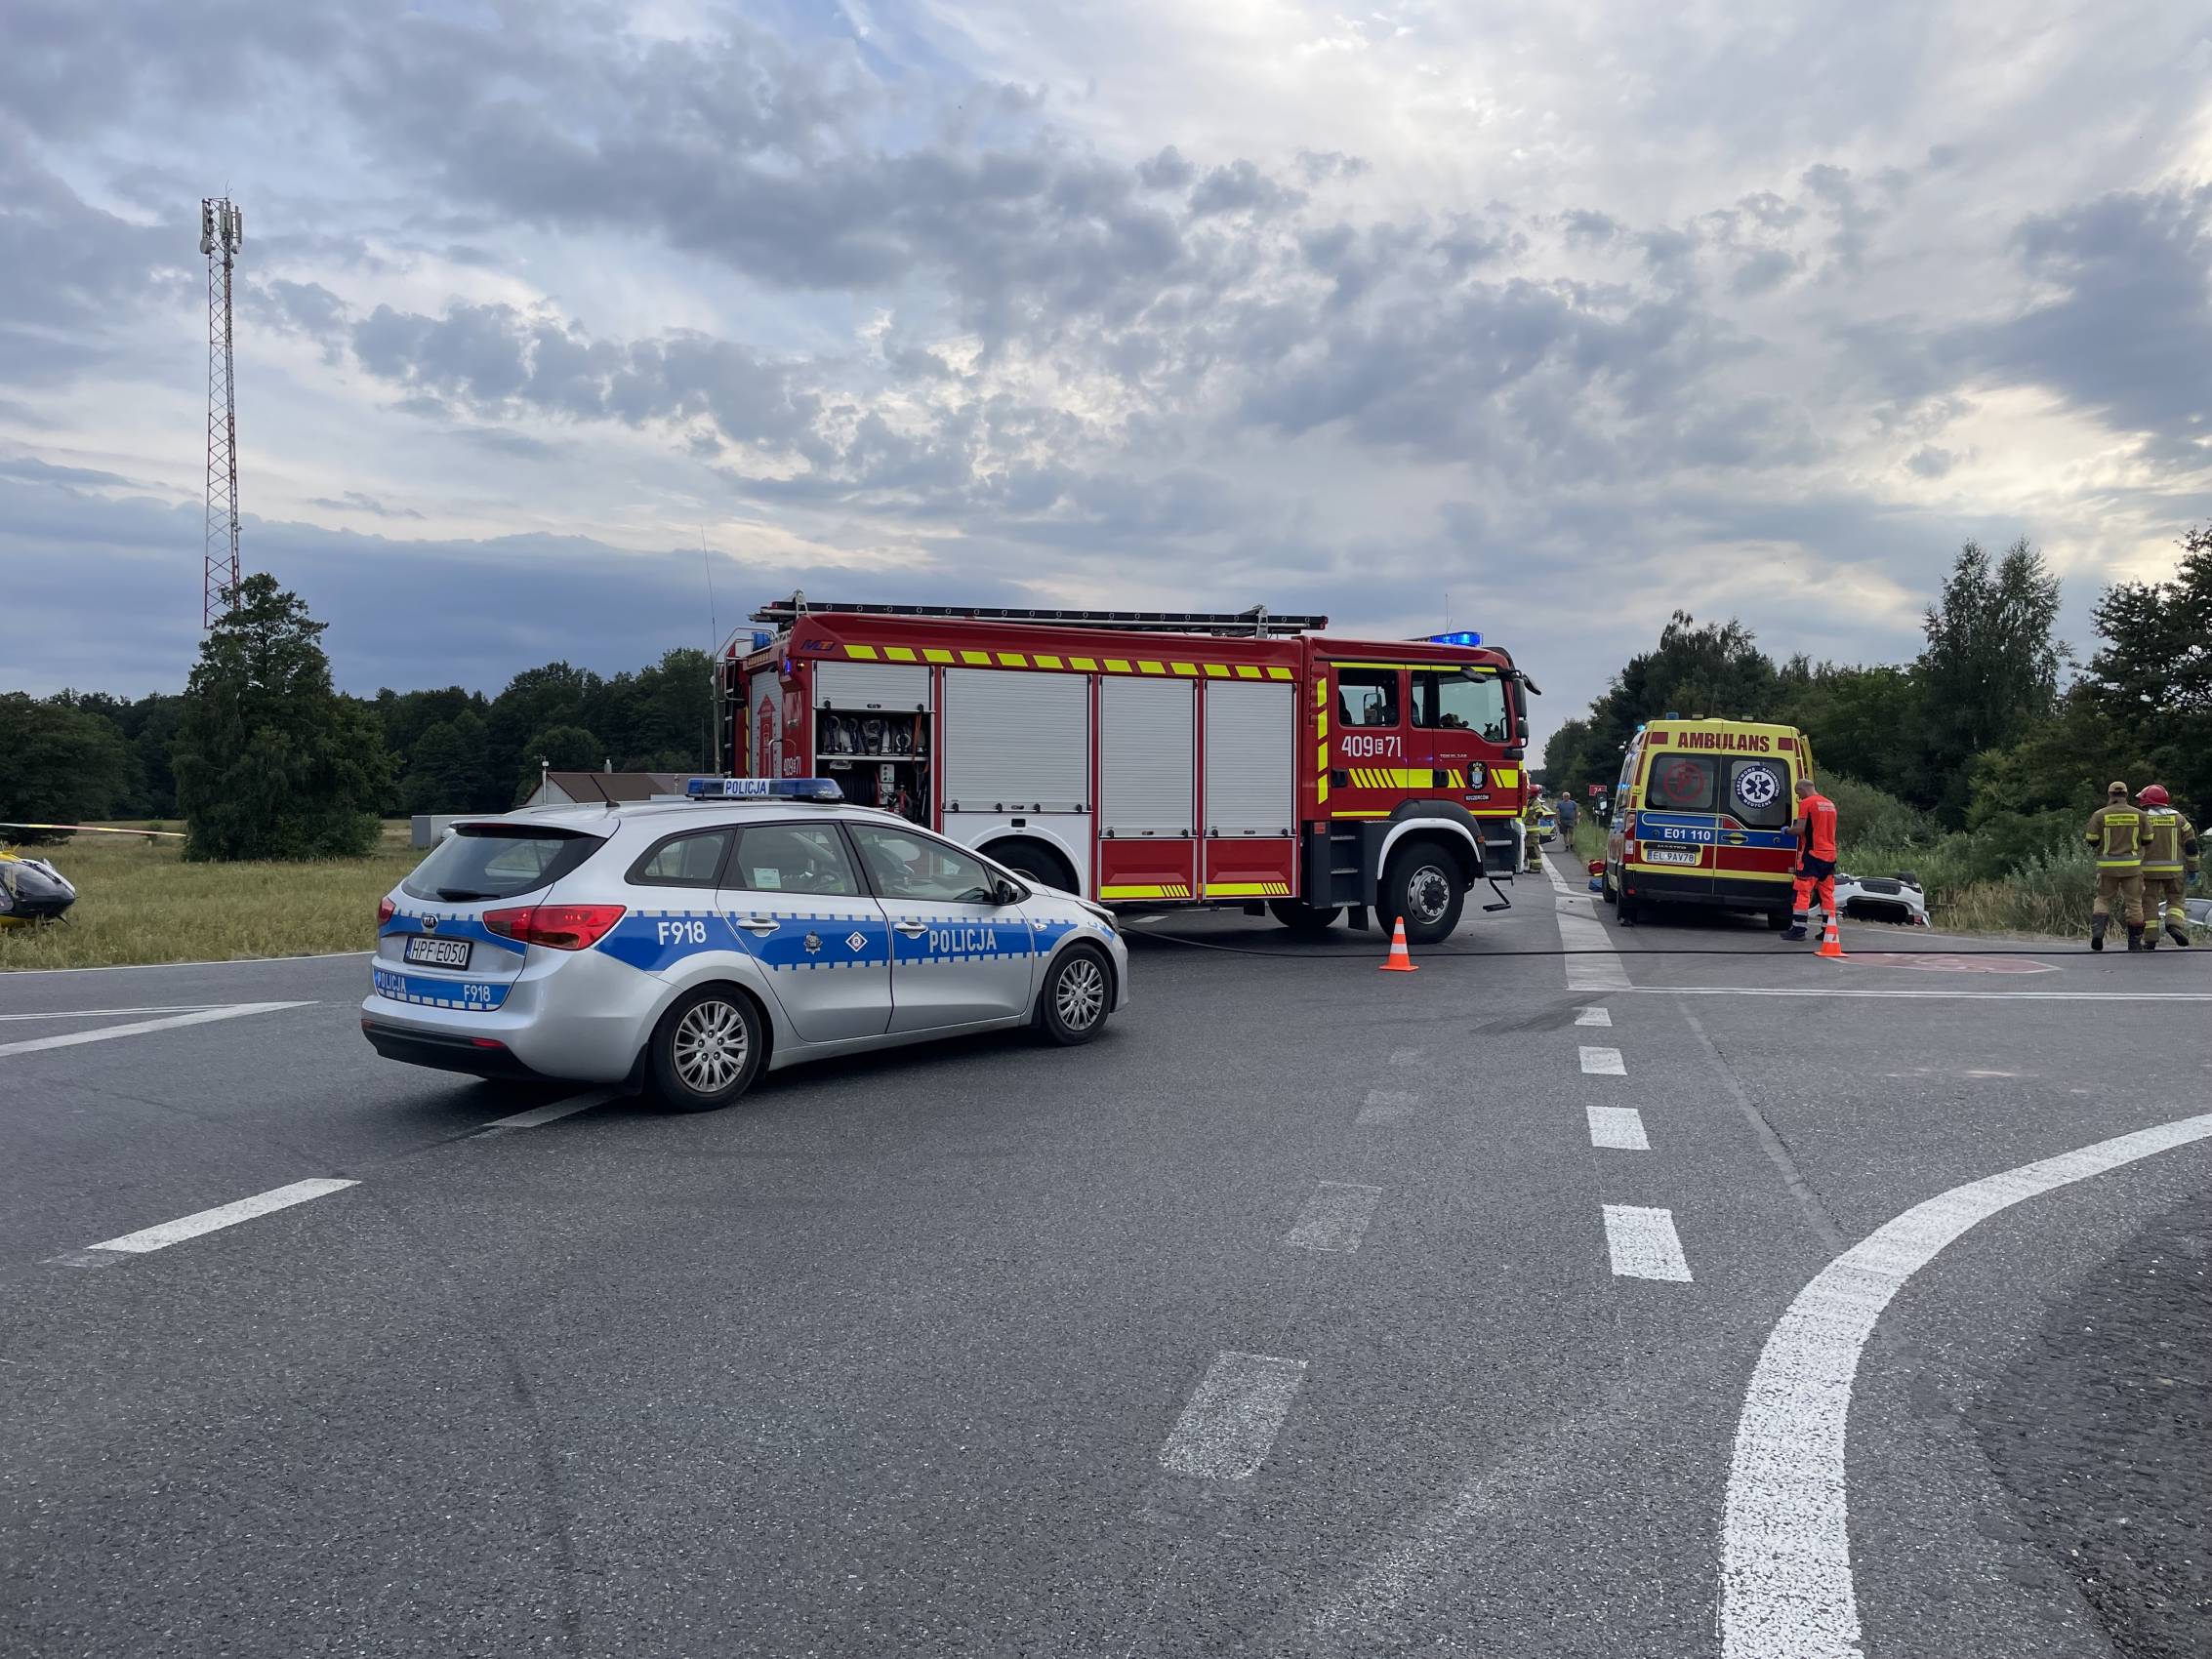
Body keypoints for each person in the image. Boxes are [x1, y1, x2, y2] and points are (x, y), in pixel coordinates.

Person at [2083, 780, 2147, 951]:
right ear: (2126, 794)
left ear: (2110, 794)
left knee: (2103, 899)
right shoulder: (2139, 815)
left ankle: (2098, 934)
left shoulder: (2099, 815)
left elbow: (2092, 840)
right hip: (2132, 867)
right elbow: (2148, 839)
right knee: (2134, 903)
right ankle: (2134, 943)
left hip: (2107, 866)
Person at [2137, 784, 2197, 950]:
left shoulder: (2142, 818)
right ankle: (2173, 924)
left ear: (2146, 800)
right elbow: (2191, 845)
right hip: (2174, 871)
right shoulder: (2179, 819)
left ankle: (2150, 939)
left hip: (2147, 871)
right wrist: (2194, 868)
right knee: (2176, 899)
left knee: (2149, 903)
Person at [1780, 778, 1838, 942]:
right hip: (1830, 855)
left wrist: (1786, 831)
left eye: (1798, 794)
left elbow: (1800, 829)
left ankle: (1798, 930)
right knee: (1827, 894)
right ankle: (1828, 930)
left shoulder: (1807, 803)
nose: (1799, 797)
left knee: (1802, 892)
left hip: (1812, 854)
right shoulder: (1830, 804)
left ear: (1802, 790)